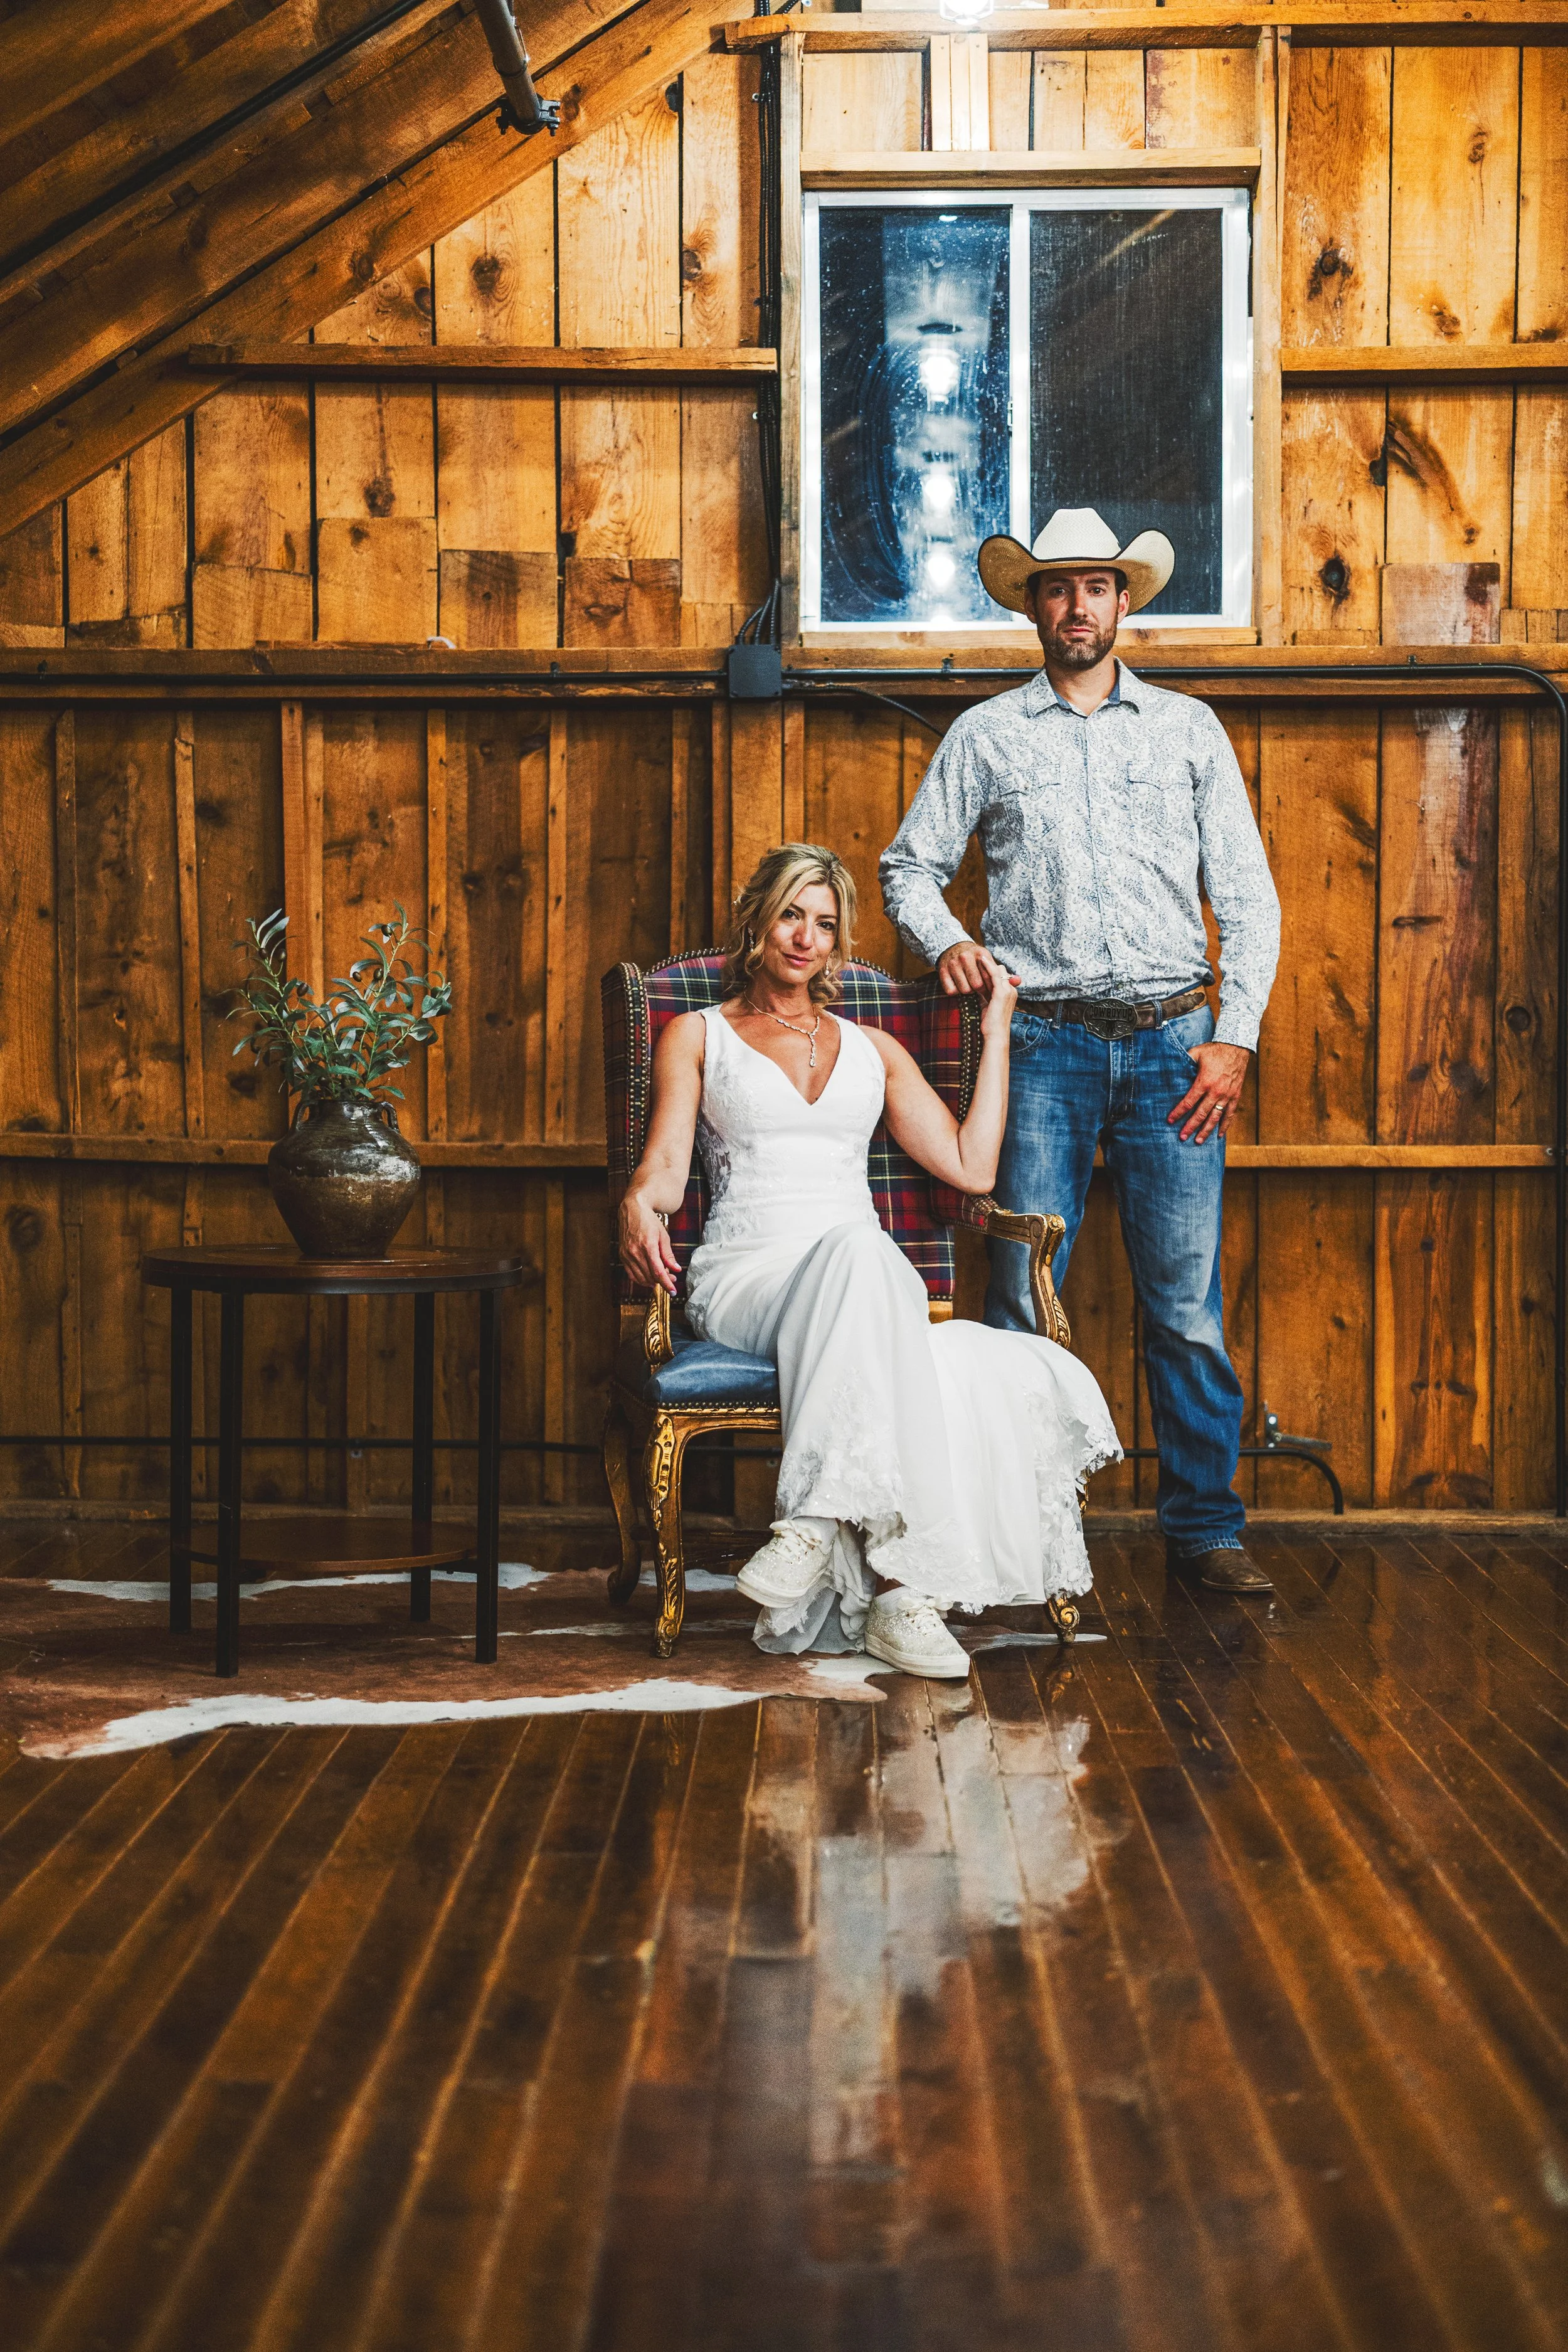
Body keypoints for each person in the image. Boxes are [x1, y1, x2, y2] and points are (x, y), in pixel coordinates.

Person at [881, 507, 1282, 1594]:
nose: (1076, 606)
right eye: (1057, 587)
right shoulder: (987, 734)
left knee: (1185, 1306)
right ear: (1033, 605)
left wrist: (1235, 1039)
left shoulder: (1190, 730)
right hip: (1041, 1048)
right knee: (1021, 1293)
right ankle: (1023, 1538)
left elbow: (1248, 899)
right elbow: (907, 866)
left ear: (1122, 601)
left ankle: (1205, 1532)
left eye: (1095, 586)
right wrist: (950, 941)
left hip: (1176, 1050)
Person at [617, 843, 1120, 1681]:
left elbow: (972, 1168)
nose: (805, 938)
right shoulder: (698, 1034)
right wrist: (639, 1200)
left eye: (824, 924)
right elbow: (666, 1165)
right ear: (756, 921)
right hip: (747, 1276)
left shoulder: (875, 1049)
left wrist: (996, 1033)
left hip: (863, 1281)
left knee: (880, 1272)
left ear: (838, 941)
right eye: (790, 915)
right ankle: (873, 1568)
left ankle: (862, 1567)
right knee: (869, 1257)